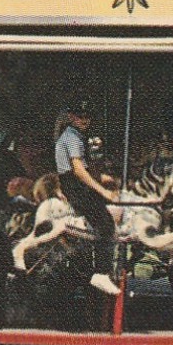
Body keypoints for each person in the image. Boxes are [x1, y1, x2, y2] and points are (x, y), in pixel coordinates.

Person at [54, 102, 122, 296]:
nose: (84, 120)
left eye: (87, 117)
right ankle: (101, 272)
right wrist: (103, 191)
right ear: (71, 117)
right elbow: (79, 171)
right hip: (75, 186)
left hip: (75, 183)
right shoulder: (72, 138)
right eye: (79, 116)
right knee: (105, 222)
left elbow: (88, 169)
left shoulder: (74, 136)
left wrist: (111, 180)